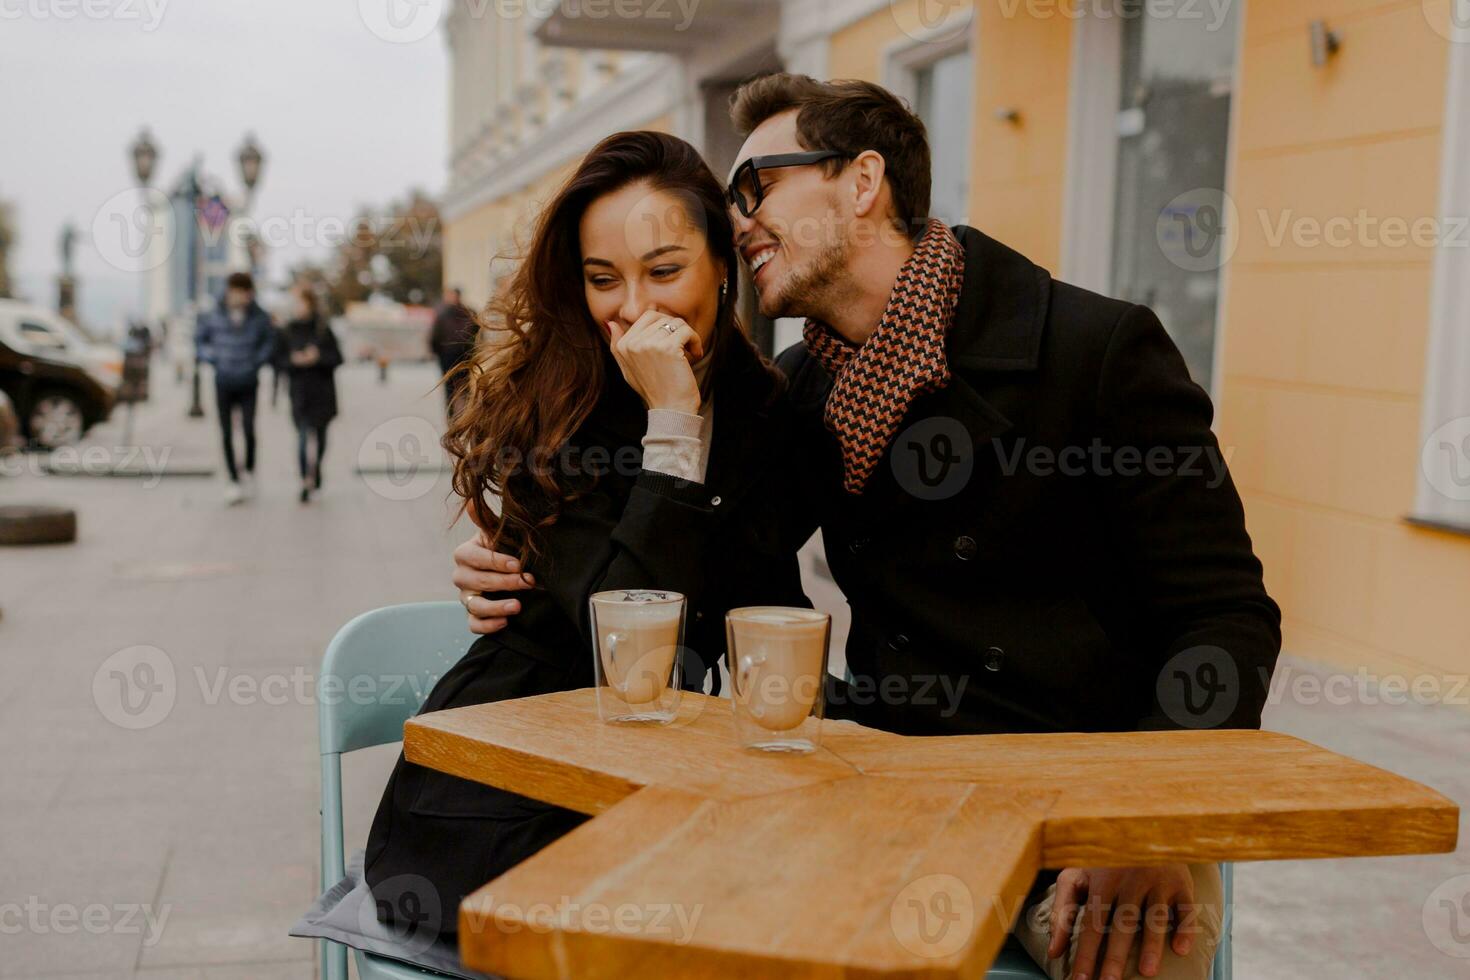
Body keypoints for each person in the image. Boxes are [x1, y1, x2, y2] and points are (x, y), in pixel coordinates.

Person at [454, 74, 1281, 980]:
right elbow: (707, 562)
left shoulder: (1095, 349)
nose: (735, 224)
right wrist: (526, 555)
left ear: (861, 182)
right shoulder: (806, 389)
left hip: (1092, 812)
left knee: (1133, 962)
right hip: (890, 793)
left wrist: (1148, 818)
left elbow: (1227, 619)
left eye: (756, 187)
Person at [363, 131, 813, 946]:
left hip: (669, 774)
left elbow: (765, 612)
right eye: (603, 279)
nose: (634, 308)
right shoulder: (557, 408)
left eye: (664, 270)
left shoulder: (766, 412)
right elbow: (625, 642)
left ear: (723, 264)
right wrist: (671, 424)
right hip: (504, 787)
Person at [195, 271, 275, 504]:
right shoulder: (213, 314)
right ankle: (233, 479)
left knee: (249, 429)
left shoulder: (259, 316)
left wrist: (256, 362)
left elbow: (269, 342)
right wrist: (213, 358)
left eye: (246, 293)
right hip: (223, 379)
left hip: (249, 379)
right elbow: (200, 341)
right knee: (227, 432)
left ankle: (248, 470)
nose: (242, 297)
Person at [276, 285, 343, 503]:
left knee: (321, 438)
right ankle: (306, 479)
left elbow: (337, 358)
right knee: (303, 438)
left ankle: (316, 469)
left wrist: (318, 358)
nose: (297, 307)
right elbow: (279, 361)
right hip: (299, 393)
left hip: (322, 392)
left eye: (300, 302)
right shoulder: (288, 330)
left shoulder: (323, 328)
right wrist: (294, 361)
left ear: (310, 303)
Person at [429, 286, 477, 419]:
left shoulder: (445, 314)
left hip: (456, 355)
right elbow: (435, 336)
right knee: (458, 387)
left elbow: (435, 336)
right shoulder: (467, 313)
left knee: (457, 387)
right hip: (456, 355)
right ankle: (458, 416)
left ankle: (459, 417)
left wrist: (437, 351)